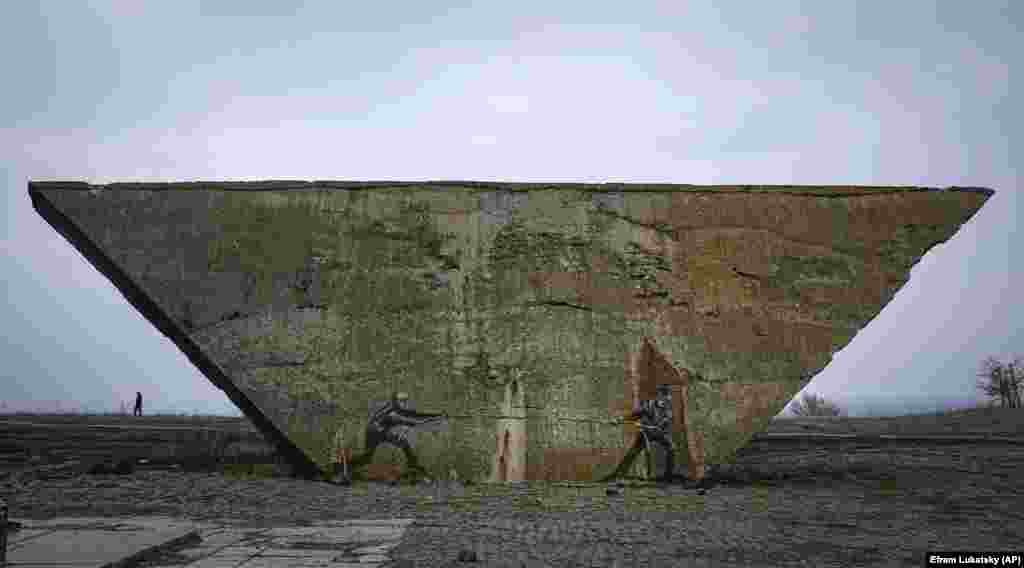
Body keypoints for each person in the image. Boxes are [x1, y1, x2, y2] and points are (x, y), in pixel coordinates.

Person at [347, 392, 447, 481]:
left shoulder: (395, 407)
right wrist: (434, 418)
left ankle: (346, 466)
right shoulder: (395, 411)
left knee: (367, 458)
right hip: (376, 431)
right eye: (402, 400)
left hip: (372, 429)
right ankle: (413, 466)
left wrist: (436, 415)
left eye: (406, 400)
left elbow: (415, 415)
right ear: (396, 400)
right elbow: (413, 419)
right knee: (403, 444)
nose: (405, 403)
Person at [601, 384, 676, 482]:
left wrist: (659, 427)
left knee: (671, 448)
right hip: (647, 433)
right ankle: (618, 475)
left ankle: (668, 477)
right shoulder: (650, 405)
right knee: (633, 453)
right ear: (660, 395)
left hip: (660, 433)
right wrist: (620, 419)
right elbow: (636, 414)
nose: (667, 398)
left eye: (668, 395)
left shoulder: (668, 408)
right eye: (665, 395)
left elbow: (667, 421)